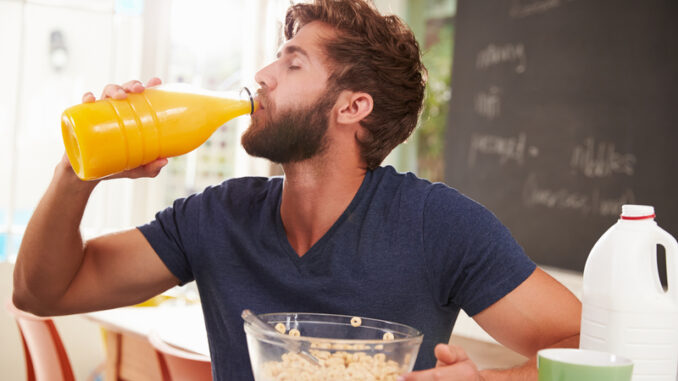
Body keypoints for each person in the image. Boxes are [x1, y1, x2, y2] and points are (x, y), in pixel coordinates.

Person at [12, 0, 581, 380]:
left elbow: (585, 345)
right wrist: (77, 172)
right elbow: (44, 292)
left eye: (292, 62)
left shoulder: (438, 226)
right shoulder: (219, 216)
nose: (262, 74)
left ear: (352, 106)